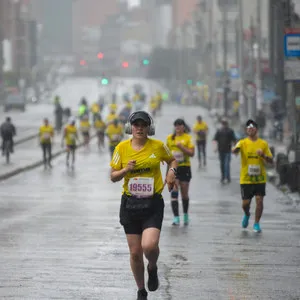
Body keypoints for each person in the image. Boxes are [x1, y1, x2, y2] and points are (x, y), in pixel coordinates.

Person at [110, 111, 177, 300]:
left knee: (149, 246)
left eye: (143, 125)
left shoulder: (158, 146)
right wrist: (125, 169)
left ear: (149, 128)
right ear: (130, 128)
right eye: (136, 125)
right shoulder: (121, 148)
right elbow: (113, 176)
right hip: (130, 204)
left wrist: (171, 172)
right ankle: (141, 290)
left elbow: (172, 160)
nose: (139, 128)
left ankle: (153, 267)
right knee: (135, 253)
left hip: (152, 203)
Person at [232, 119, 273, 233]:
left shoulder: (263, 144)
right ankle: (247, 214)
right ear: (246, 130)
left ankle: (256, 223)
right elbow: (234, 151)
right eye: (248, 128)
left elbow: (271, 161)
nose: (250, 129)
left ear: (256, 129)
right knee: (245, 203)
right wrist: (235, 149)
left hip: (260, 178)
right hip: (246, 179)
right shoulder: (243, 142)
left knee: (259, 200)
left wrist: (263, 155)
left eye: (252, 128)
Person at [166, 118, 195, 226]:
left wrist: (181, 147)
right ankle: (176, 217)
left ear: (184, 126)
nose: (178, 127)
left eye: (180, 125)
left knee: (184, 194)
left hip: (185, 167)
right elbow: (166, 153)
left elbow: (192, 153)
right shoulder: (170, 138)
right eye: (176, 125)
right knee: (174, 192)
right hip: (173, 169)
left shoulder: (188, 138)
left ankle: (186, 215)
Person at [213, 119, 237, 184]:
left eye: (225, 124)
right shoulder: (219, 131)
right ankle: (223, 177)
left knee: (226, 164)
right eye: (223, 124)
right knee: (222, 164)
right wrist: (215, 148)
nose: (224, 125)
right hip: (221, 150)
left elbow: (234, 140)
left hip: (228, 151)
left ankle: (227, 177)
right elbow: (215, 139)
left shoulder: (230, 131)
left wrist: (235, 148)